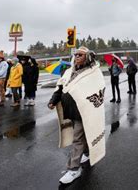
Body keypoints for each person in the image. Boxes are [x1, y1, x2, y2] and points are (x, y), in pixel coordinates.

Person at [48, 46, 106, 184]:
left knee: (77, 139)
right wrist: (53, 101)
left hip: (84, 112)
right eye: (76, 54)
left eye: (80, 54)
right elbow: (61, 87)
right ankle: (86, 153)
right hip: (70, 110)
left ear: (88, 57)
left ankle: (74, 169)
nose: (77, 56)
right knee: (83, 134)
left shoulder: (93, 73)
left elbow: (98, 90)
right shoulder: (69, 71)